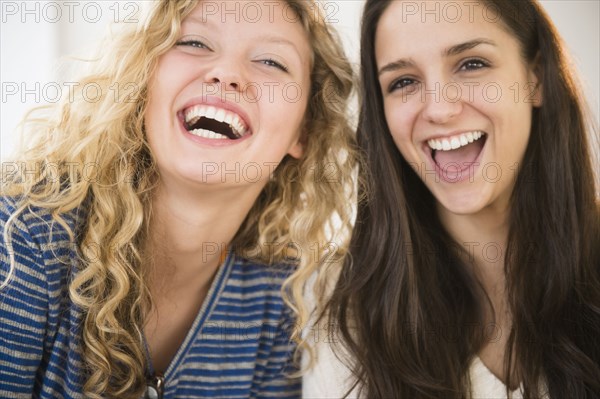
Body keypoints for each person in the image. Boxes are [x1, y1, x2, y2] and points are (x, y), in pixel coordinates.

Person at [0, 0, 357, 398]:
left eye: (271, 62)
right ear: (144, 80)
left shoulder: (280, 304)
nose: (226, 74)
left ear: (304, 131)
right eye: (195, 43)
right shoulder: (21, 241)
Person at [305, 0, 600, 398]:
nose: (440, 109)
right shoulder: (332, 305)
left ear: (537, 77)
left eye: (471, 64)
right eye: (403, 82)